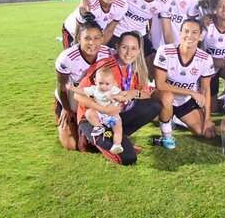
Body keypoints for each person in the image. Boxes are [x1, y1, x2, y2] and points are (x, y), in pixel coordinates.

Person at [75, 31, 161, 165]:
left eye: (133, 48)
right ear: (117, 47)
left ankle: (120, 137)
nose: (128, 52)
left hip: (115, 117)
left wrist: (134, 93)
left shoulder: (137, 68)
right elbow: (78, 95)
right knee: (128, 158)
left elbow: (146, 94)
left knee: (153, 106)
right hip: (92, 117)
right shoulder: (104, 67)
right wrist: (103, 109)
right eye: (124, 47)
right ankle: (87, 137)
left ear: (139, 51)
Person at [153, 19, 217, 149]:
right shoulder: (165, 51)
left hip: (184, 101)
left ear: (200, 36)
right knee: (167, 98)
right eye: (186, 31)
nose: (190, 36)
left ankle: (175, 119)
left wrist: (207, 119)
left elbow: (205, 90)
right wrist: (192, 92)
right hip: (163, 96)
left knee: (206, 133)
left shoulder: (205, 58)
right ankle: (166, 136)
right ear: (180, 33)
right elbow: (160, 85)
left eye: (195, 32)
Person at [54, 20, 112, 151]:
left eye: (97, 38)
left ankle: (93, 125)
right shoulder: (66, 58)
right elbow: (62, 86)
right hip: (71, 96)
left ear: (102, 38)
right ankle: (68, 117)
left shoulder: (108, 53)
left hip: (94, 95)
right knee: (72, 145)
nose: (92, 43)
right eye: (87, 38)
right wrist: (66, 108)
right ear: (79, 38)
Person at [111, 0, 169, 77]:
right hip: (118, 33)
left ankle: (148, 90)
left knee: (153, 65)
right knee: (115, 68)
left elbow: (167, 28)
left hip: (140, 35)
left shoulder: (164, 1)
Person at [61, 0, 127, 48]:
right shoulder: (89, 6)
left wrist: (99, 48)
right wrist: (76, 48)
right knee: (73, 57)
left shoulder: (122, 6)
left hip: (92, 33)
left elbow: (109, 30)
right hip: (72, 31)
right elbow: (78, 29)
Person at [66, 67, 126, 154]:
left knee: (118, 128)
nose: (103, 86)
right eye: (100, 83)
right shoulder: (94, 89)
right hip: (99, 115)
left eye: (107, 84)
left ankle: (117, 145)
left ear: (113, 83)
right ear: (95, 81)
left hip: (112, 117)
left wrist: (114, 97)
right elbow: (82, 91)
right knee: (89, 113)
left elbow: (122, 97)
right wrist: (73, 88)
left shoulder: (114, 90)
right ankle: (99, 127)